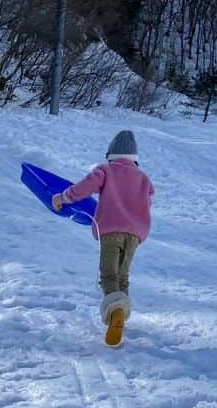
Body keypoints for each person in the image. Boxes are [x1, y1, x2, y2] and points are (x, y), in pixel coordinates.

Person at [51, 130, 154, 344]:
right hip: (135, 234)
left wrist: (63, 197)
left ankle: (114, 312)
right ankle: (120, 318)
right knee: (122, 276)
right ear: (135, 157)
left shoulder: (106, 170)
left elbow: (84, 188)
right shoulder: (144, 179)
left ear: (111, 154)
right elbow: (147, 201)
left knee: (108, 276)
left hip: (111, 230)